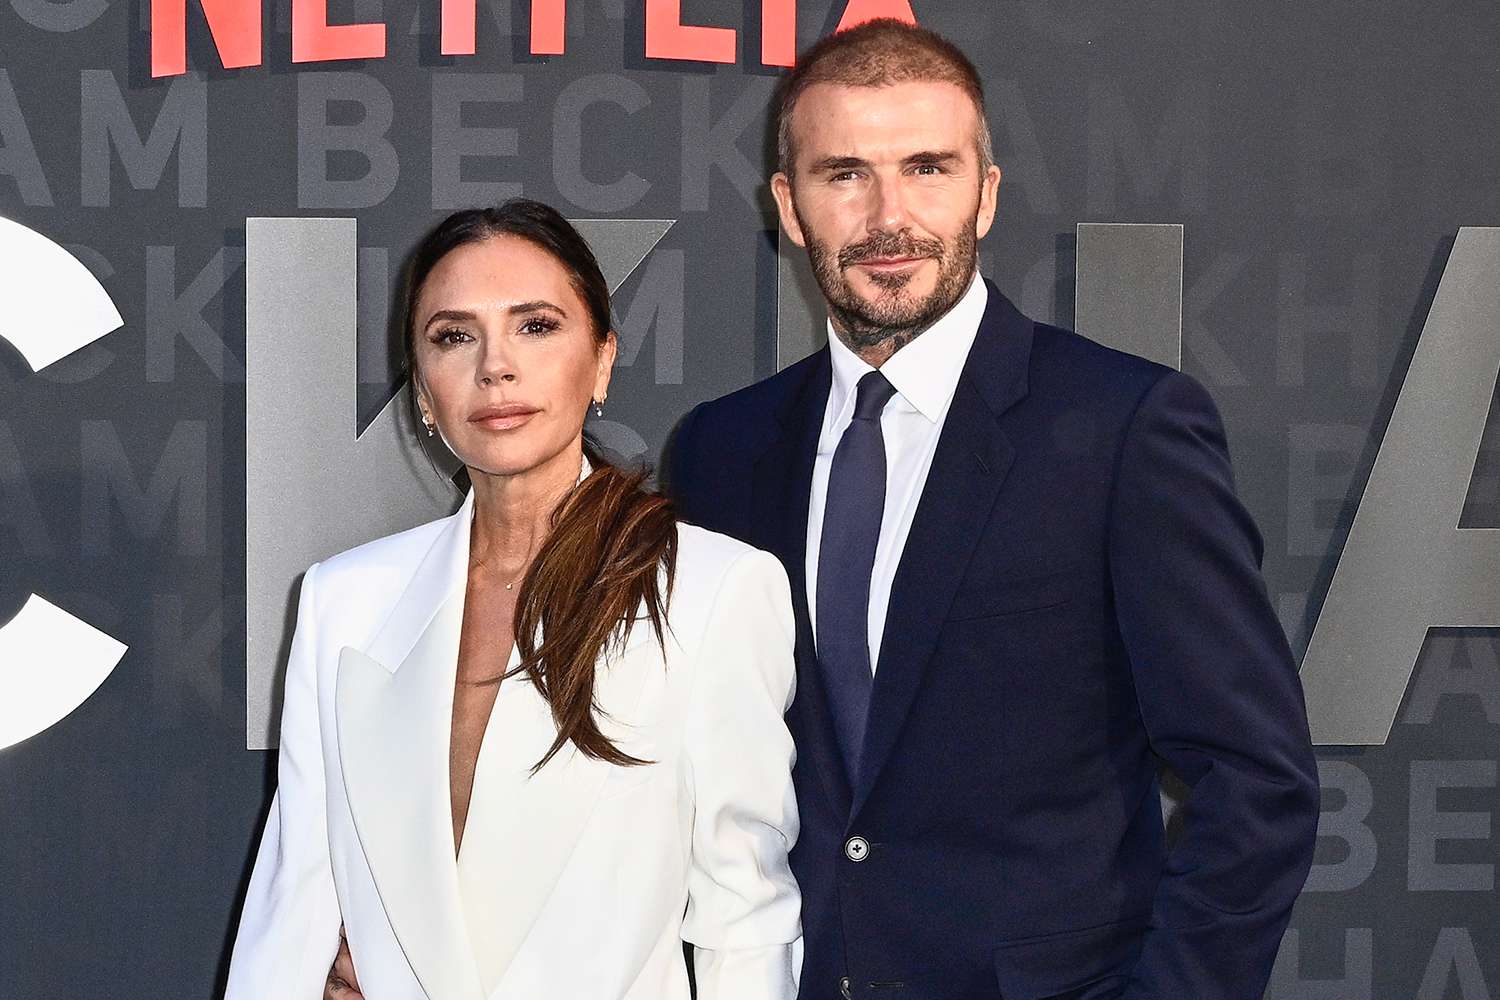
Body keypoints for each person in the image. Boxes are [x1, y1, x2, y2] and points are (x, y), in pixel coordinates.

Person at [669, 20, 1319, 1000]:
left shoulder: (1123, 428)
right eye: (845, 173)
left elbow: (1255, 781)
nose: (892, 215)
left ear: (988, 190)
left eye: (928, 167)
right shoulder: (721, 450)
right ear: (789, 207)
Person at [225, 199, 802, 1000]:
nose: (495, 366)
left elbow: (747, 921)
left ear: (602, 361)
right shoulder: (343, 603)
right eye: (453, 336)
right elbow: (292, 907)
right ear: (423, 392)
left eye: (535, 326)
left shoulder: (714, 592)